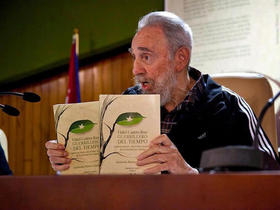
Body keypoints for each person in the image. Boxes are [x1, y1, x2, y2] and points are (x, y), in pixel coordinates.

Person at [45, 11, 278, 174]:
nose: (135, 69)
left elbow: (270, 180)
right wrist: (71, 160)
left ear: (180, 58)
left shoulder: (228, 107)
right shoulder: (125, 103)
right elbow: (101, 173)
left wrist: (188, 173)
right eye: (134, 57)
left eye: (146, 57)